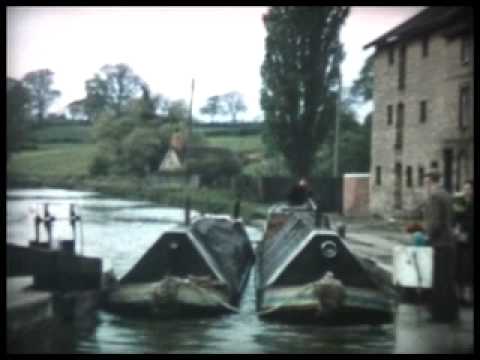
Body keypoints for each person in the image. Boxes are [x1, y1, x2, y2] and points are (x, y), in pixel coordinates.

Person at [423, 169, 459, 322]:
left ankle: (439, 314)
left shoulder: (435, 197)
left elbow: (435, 223)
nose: (425, 185)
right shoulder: (447, 195)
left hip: (439, 242)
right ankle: (451, 313)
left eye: (426, 182)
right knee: (448, 279)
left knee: (439, 280)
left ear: (431, 181)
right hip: (449, 242)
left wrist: (427, 236)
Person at [453, 179, 474, 305]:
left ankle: (468, 297)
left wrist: (468, 234)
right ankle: (460, 296)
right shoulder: (460, 202)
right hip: (460, 241)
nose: (466, 191)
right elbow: (455, 218)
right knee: (459, 268)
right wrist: (456, 229)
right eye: (465, 189)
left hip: (470, 242)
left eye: (468, 189)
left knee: (468, 269)